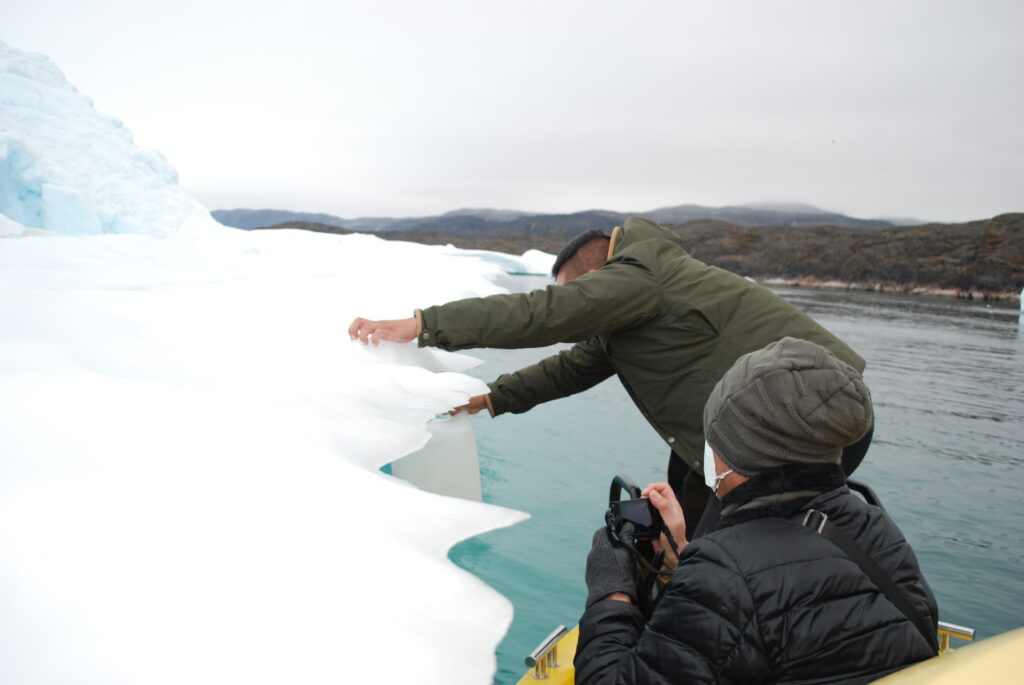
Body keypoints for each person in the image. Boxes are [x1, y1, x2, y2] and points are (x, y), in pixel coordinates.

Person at [348, 217, 870, 533]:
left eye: (578, 292)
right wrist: (489, 398)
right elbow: (573, 367)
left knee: (734, 543)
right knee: (686, 519)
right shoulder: (633, 306)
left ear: (597, 279)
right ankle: (688, 592)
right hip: (730, 431)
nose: (579, 303)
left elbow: (544, 313)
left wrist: (424, 324)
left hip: (806, 421)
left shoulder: (638, 277)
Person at [575, 337, 938, 684]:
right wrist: (684, 560)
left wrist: (612, 589)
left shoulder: (727, 577)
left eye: (713, 438)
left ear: (740, 452)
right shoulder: (876, 527)